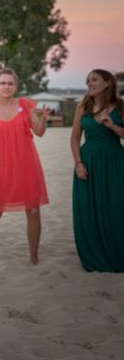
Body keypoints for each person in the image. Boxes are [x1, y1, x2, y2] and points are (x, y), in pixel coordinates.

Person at [0, 68, 50, 265]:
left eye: (10, 83)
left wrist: (44, 120)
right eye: (3, 83)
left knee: (33, 211)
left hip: (27, 165)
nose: (6, 87)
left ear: (15, 86)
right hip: (3, 167)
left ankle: (34, 256)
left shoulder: (25, 105)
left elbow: (39, 132)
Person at [71, 69, 124, 272]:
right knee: (89, 208)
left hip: (115, 161)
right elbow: (75, 137)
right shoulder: (83, 107)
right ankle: (94, 255)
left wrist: (112, 127)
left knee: (116, 205)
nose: (89, 84)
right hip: (88, 162)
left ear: (107, 83)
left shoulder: (120, 107)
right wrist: (78, 163)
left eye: (94, 80)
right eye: (88, 81)